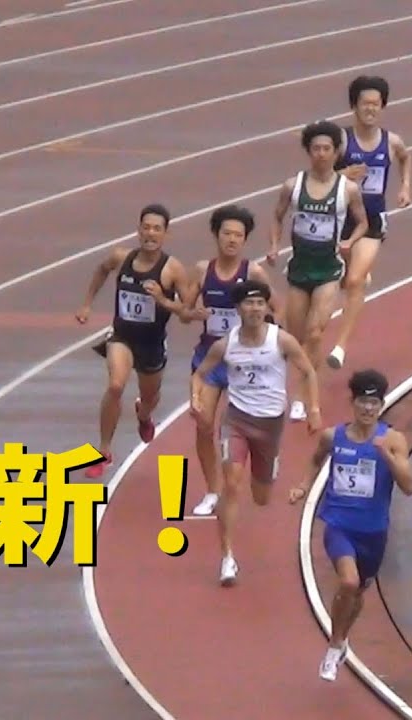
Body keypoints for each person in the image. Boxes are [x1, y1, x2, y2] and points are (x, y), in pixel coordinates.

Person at [288, 369, 412, 682]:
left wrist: (388, 457)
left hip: (373, 531)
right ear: (353, 403)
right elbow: (316, 459)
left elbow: (409, 486)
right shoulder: (334, 437)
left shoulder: (393, 440)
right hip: (338, 525)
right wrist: (303, 486)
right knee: (348, 582)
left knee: (357, 592)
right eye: (363, 402)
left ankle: (342, 638)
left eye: (374, 403)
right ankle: (334, 646)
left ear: (381, 405)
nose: (368, 408)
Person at [192, 280, 322, 586]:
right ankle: (227, 558)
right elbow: (200, 374)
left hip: (270, 423)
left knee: (261, 497)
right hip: (236, 419)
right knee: (232, 484)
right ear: (238, 309)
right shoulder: (225, 345)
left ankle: (269, 467)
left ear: (266, 307)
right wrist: (195, 397)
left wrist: (313, 408)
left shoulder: (282, 340)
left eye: (260, 303)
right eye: (249, 303)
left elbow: (308, 371)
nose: (254, 309)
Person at [75, 203, 194, 479]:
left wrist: (162, 299)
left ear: (166, 234)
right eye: (146, 227)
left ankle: (144, 415)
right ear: (138, 230)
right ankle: (104, 451)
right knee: (116, 385)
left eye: (157, 229)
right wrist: (87, 304)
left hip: (152, 343)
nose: (150, 233)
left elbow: (187, 313)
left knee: (150, 396)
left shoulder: (173, 269)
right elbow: (101, 270)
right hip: (122, 336)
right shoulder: (121, 257)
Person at [268, 119, 369, 422]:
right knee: (297, 339)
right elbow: (277, 217)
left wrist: (350, 241)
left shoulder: (347, 189)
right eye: (316, 148)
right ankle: (301, 382)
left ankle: (302, 396)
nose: (321, 154)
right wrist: (274, 246)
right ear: (308, 151)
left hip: (328, 270)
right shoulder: (293, 186)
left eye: (327, 149)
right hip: (299, 270)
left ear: (336, 152)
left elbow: (363, 222)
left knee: (314, 334)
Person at [184, 204, 280, 517]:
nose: (232, 240)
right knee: (203, 423)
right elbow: (184, 312)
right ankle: (213, 490)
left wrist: (265, 335)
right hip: (210, 357)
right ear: (217, 235)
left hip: (245, 361)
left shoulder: (253, 273)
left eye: (238, 235)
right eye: (227, 233)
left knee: (253, 424)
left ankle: (265, 460)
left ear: (245, 239)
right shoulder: (203, 270)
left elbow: (277, 310)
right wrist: (193, 313)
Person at [326, 75, 412, 371]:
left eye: (376, 104)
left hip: (373, 220)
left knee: (353, 282)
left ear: (383, 107)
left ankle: (340, 347)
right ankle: (358, 273)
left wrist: (405, 187)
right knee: (345, 279)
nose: (370, 109)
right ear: (354, 106)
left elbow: (405, 158)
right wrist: (342, 175)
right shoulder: (341, 141)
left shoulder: (392, 142)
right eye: (365, 104)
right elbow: (320, 175)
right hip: (341, 219)